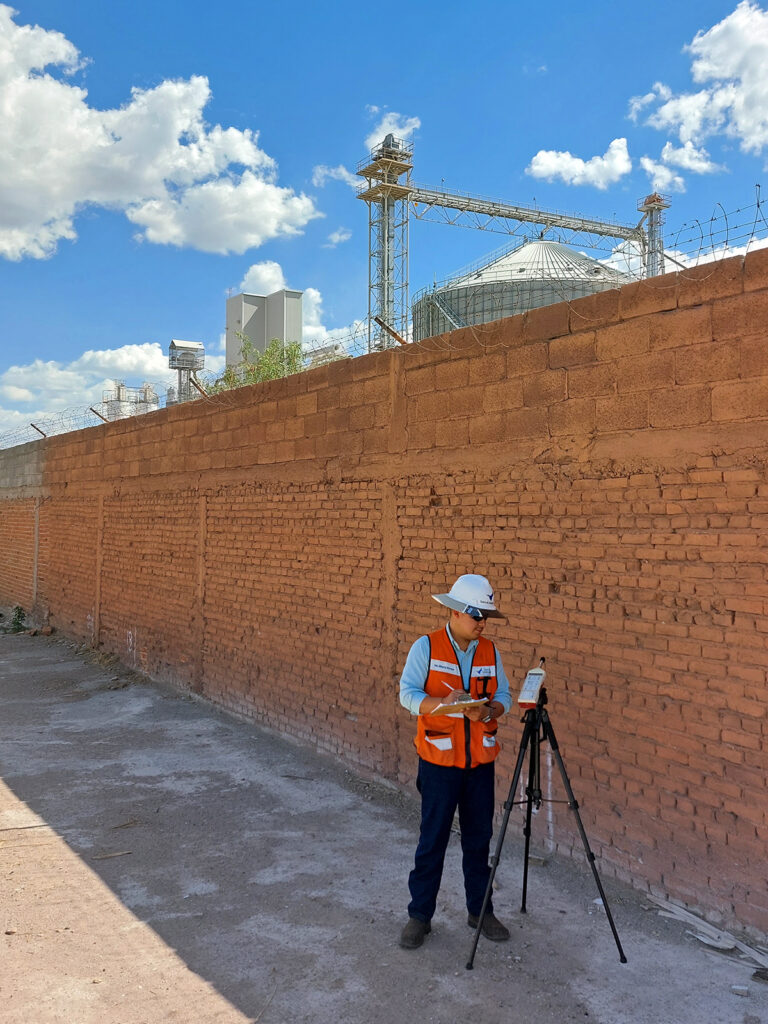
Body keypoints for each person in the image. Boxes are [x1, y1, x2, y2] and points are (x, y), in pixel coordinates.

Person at [398, 573, 512, 950]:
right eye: (477, 615)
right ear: (456, 611)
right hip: (439, 763)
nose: (482, 624)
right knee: (432, 840)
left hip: (479, 765)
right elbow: (407, 695)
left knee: (479, 841)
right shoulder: (426, 648)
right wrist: (443, 705)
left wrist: (490, 709)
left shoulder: (490, 652)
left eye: (486, 618)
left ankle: (480, 910)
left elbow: (504, 697)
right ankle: (420, 916)